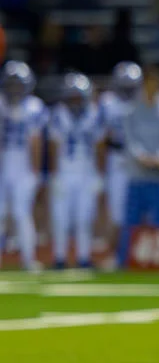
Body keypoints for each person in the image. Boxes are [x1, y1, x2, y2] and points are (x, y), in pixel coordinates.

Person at [118, 64, 159, 265]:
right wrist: (142, 157)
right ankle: (124, 261)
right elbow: (130, 141)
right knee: (131, 222)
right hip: (137, 175)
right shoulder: (131, 111)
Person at [47, 73, 104, 270]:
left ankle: (83, 257)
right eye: (71, 97)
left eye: (78, 97)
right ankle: (59, 257)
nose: (74, 102)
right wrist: (54, 175)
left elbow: (99, 146)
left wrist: (99, 174)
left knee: (84, 217)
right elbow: (54, 145)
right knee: (60, 218)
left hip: (87, 172)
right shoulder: (58, 113)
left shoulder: (95, 113)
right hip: (64, 171)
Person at [0, 61, 46, 271]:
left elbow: (35, 141)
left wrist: (35, 171)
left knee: (21, 212)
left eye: (18, 85)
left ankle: (28, 258)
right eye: (11, 85)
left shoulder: (34, 107)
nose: (15, 89)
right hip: (3, 162)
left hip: (23, 165)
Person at [98, 61, 142, 259]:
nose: (127, 91)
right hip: (116, 158)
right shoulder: (107, 102)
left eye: (131, 87)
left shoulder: (142, 101)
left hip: (138, 159)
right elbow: (100, 138)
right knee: (117, 212)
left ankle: (132, 252)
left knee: (137, 209)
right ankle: (117, 252)